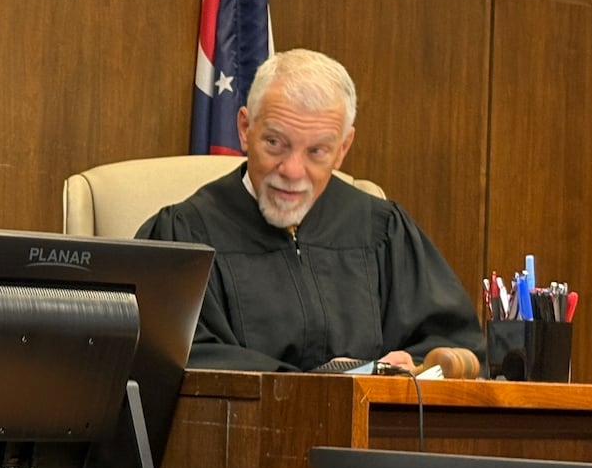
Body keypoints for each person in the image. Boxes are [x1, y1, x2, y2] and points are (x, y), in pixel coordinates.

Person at [137, 48, 483, 373]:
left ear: (343, 147)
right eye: (275, 143)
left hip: (364, 435)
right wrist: (322, 384)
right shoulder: (183, 235)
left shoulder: (380, 229)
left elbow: (455, 343)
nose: (292, 171)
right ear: (245, 128)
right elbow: (171, 358)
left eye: (316, 151)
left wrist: (408, 366)